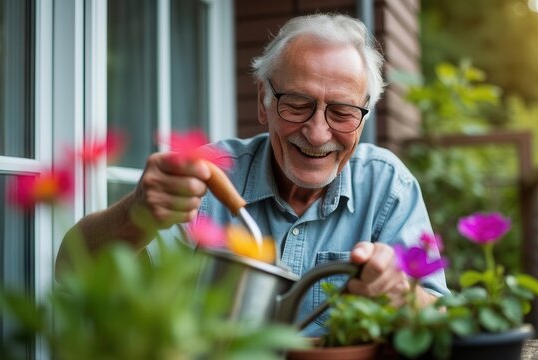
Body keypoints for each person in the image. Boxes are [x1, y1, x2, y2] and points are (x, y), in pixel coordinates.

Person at [57, 13, 448, 336]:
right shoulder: (209, 177)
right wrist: (134, 214)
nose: (317, 132)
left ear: (364, 117)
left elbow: (443, 318)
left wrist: (404, 293)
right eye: (296, 104)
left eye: (342, 112)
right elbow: (70, 268)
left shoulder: (387, 186)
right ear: (264, 102)